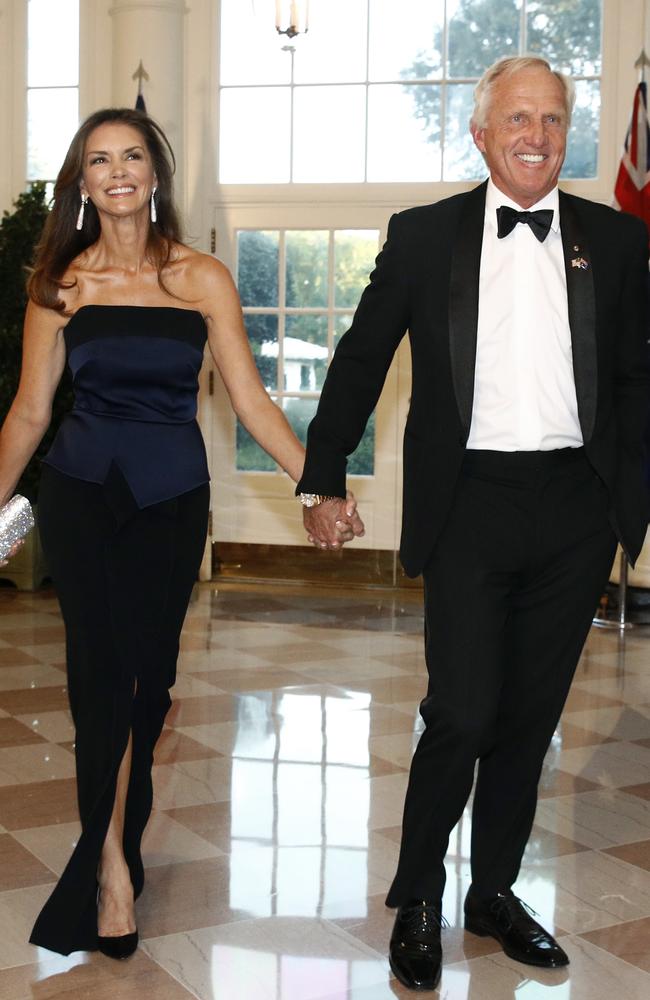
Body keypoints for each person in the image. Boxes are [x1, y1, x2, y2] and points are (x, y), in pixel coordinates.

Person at [296, 56, 650, 991]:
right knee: (461, 711)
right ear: (482, 133)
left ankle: (491, 893)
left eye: (553, 119)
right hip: (470, 508)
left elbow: (634, 380)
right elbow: (361, 357)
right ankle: (419, 893)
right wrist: (320, 477)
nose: (537, 135)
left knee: (530, 721)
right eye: (518, 118)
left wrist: (627, 497)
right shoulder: (425, 238)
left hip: (575, 508)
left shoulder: (614, 242)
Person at [0, 107, 363, 959]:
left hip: (170, 503)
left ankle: (120, 838)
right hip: (82, 496)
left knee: (149, 686)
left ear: (155, 174)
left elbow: (250, 401)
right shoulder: (59, 284)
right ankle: (111, 872)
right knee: (102, 682)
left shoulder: (202, 277)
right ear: (81, 184)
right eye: (98, 161)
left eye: (131, 156)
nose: (116, 172)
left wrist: (321, 485)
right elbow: (27, 413)